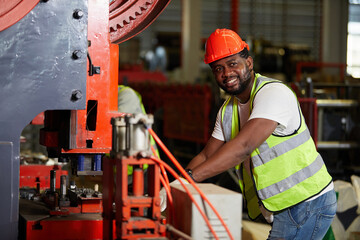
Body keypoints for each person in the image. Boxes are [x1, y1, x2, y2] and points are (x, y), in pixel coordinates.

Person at [183, 29, 337, 239]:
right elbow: (207, 156)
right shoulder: (228, 111)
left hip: (305, 202)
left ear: (249, 63)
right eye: (218, 68)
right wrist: (176, 183)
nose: (227, 73)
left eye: (232, 63)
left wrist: (192, 178)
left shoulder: (273, 93)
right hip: (285, 206)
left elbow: (244, 146)